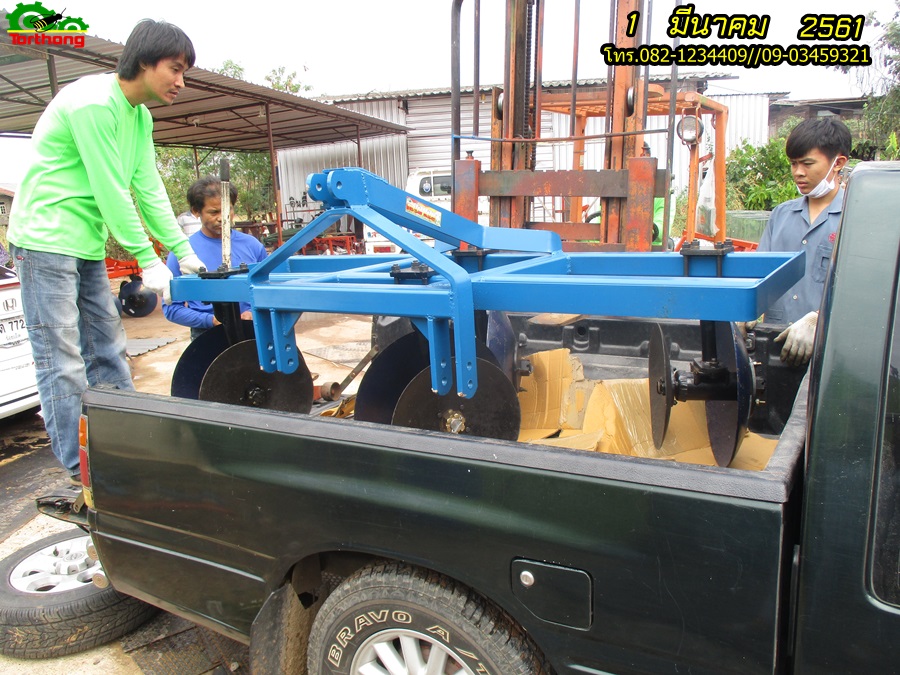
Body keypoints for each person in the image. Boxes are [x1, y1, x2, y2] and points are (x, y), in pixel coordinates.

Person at [6, 20, 204, 485]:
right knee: (62, 359)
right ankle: (83, 469)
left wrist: (183, 250)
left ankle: (124, 448)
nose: (181, 82)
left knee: (108, 348)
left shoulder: (140, 117)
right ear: (144, 61)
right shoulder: (94, 103)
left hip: (85, 243)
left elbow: (147, 187)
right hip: (44, 240)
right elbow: (110, 188)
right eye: (175, 69)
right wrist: (145, 257)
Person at [754, 117, 851, 367]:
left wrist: (818, 320)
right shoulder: (781, 215)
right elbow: (758, 273)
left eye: (807, 164)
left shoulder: (854, 219)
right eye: (793, 164)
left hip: (830, 355)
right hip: (776, 350)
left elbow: (865, 291)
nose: (798, 172)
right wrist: (747, 309)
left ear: (838, 163)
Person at [163, 176, 268, 340]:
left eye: (228, 210)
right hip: (207, 335)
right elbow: (171, 309)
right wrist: (209, 320)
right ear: (196, 211)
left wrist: (254, 312)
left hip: (253, 330)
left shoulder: (252, 246)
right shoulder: (184, 253)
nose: (222, 217)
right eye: (214, 212)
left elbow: (269, 290)